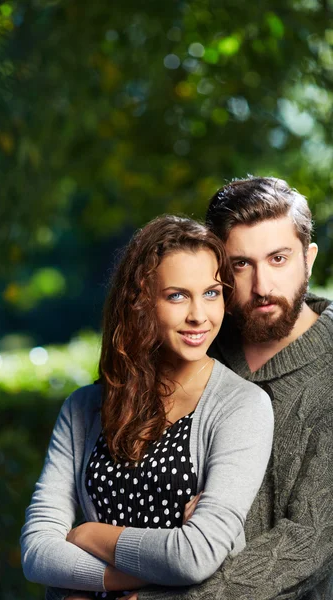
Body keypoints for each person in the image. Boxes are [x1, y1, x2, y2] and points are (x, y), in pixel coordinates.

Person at [21, 215, 273, 600]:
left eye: (211, 293)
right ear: (140, 302)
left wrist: (88, 535)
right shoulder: (83, 408)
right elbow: (37, 552)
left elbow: (195, 556)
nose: (198, 315)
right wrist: (128, 577)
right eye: (177, 295)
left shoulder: (242, 407)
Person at [136, 177, 333, 600]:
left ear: (309, 259)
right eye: (242, 264)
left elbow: (309, 542)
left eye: (279, 259)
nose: (263, 286)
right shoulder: (191, 344)